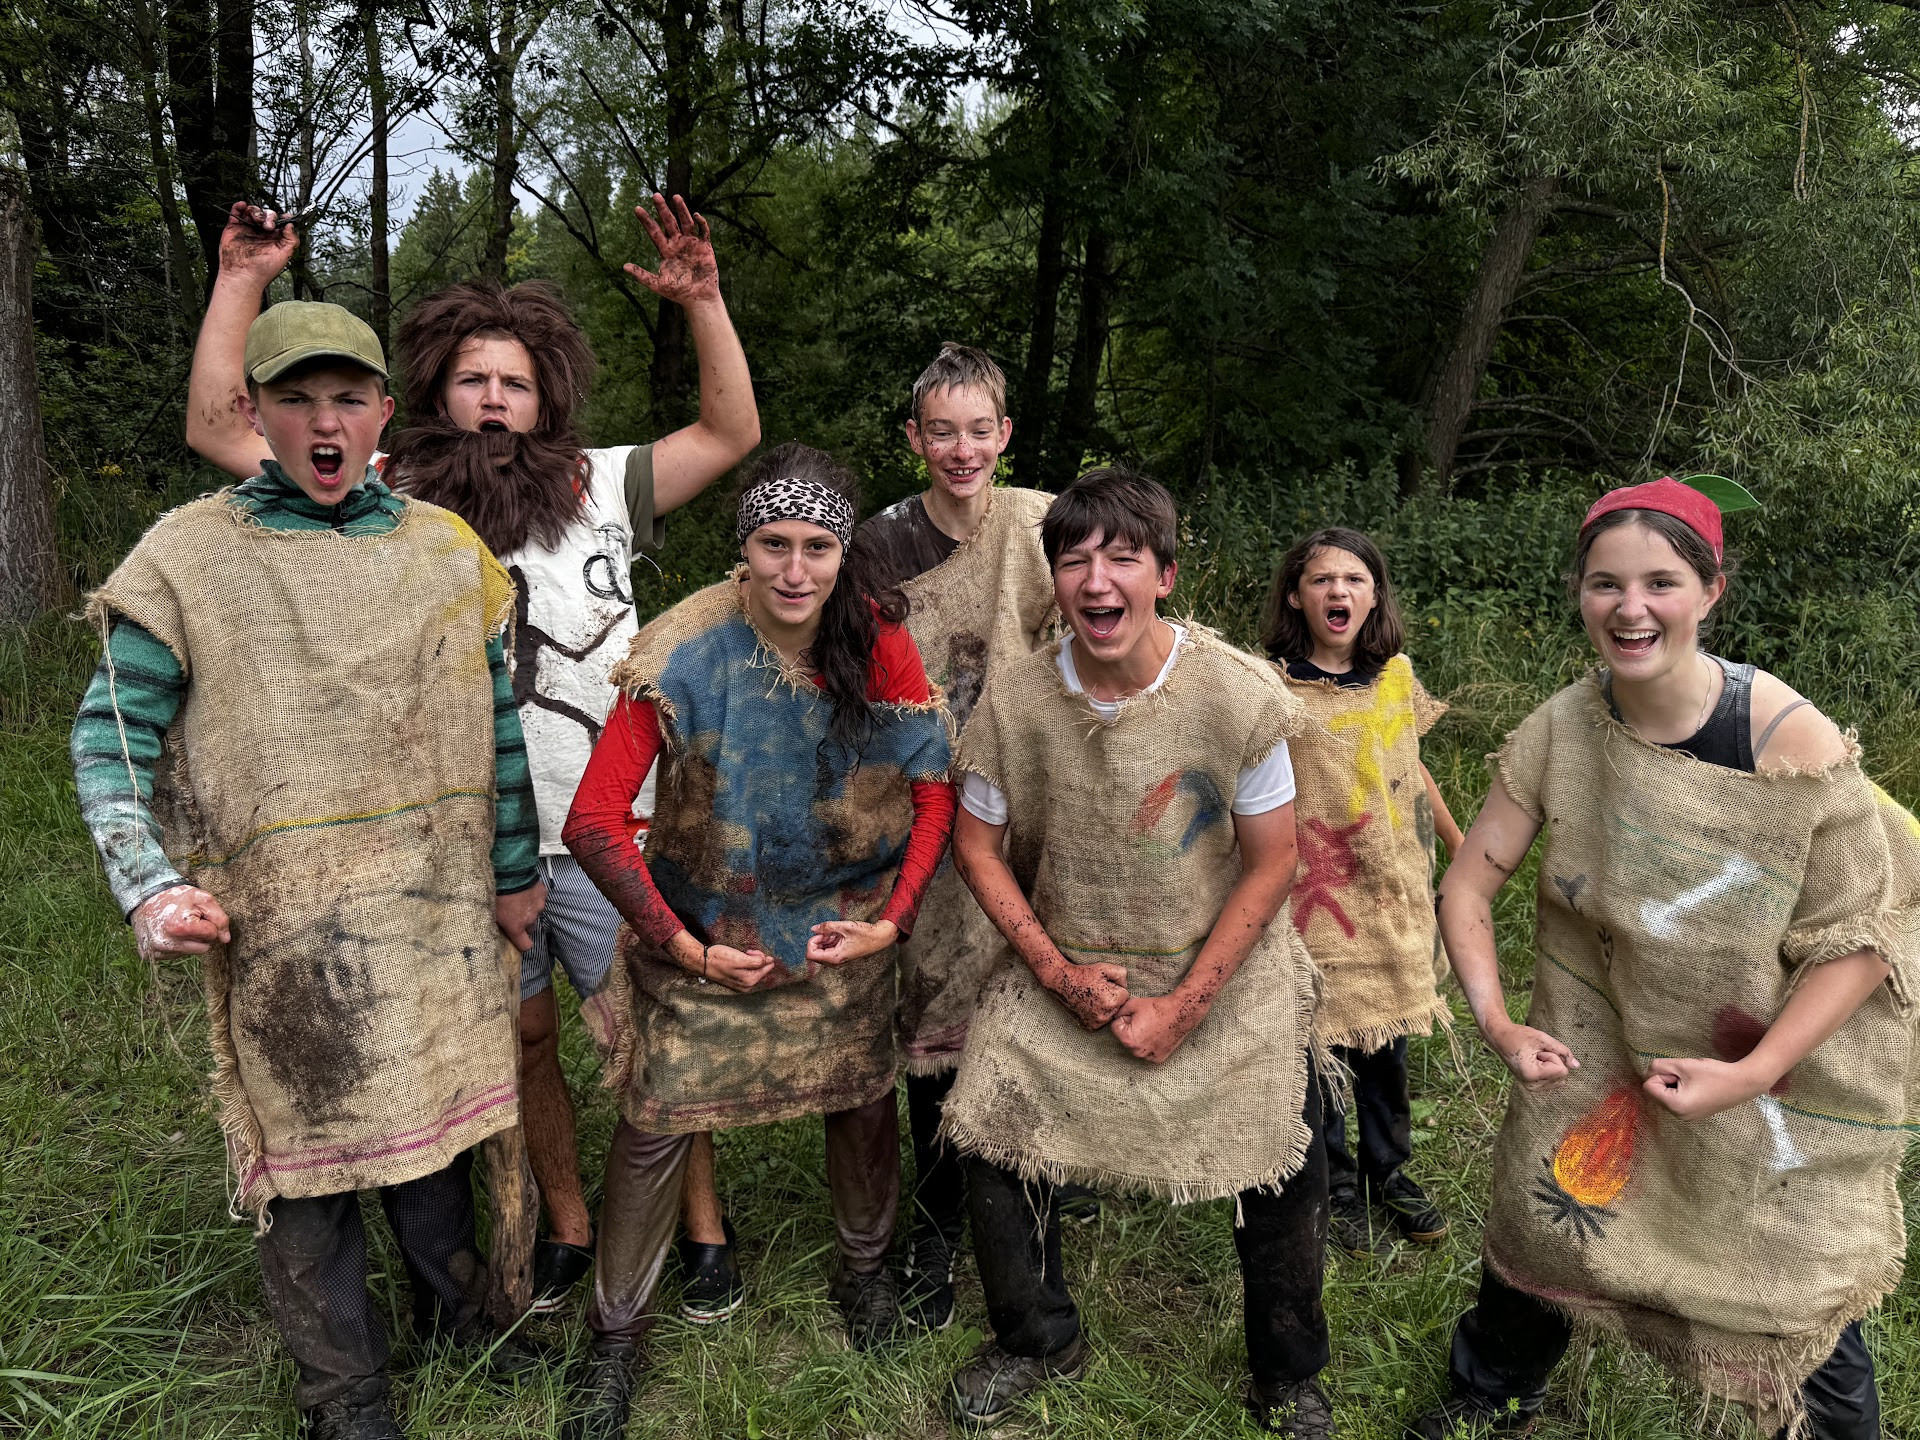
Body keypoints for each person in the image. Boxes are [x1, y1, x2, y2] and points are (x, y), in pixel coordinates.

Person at [183, 195, 760, 1317]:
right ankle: (567, 1222)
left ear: (548, 398)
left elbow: (728, 433)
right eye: (472, 380)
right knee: (524, 1033)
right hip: (459, 834)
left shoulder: (599, 482)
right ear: (435, 392)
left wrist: (704, 301)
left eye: (515, 383)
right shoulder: (382, 487)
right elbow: (218, 427)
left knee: (660, 1026)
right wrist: (242, 279)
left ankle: (702, 1223)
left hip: (609, 817)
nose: (494, 399)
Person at [73, 301, 546, 1440]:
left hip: (432, 911)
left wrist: (513, 870)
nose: (323, 424)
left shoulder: (443, 550)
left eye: (346, 400)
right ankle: (345, 1395)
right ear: (255, 411)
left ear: (384, 412)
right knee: (310, 1157)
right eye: (295, 400)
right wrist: (150, 882)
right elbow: (110, 738)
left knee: (434, 1126)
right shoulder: (192, 560)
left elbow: (495, 726)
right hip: (285, 923)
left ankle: (461, 1321)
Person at [1404, 478, 1919, 1440]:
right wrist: (1499, 1023)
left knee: (1785, 1270)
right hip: (1604, 1039)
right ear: (1580, 592)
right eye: (1605, 583)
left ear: (1710, 591)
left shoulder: (1783, 738)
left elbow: (1864, 938)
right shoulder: (1563, 729)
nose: (1629, 608)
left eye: (1660, 583)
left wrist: (1755, 1071)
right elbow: (1467, 887)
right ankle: (1491, 1398)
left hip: (1763, 1061)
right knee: (1546, 1212)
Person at [558, 442, 955, 1440]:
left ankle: (866, 1274)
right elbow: (593, 821)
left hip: (839, 924)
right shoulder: (681, 649)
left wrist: (891, 922)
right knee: (656, 1120)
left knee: (862, 1095)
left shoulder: (877, 639)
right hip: (705, 932)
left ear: (844, 551)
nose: (795, 568)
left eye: (818, 546)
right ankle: (615, 1339)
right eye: (774, 543)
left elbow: (933, 789)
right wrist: (679, 945)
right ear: (744, 548)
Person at [938, 468, 1336, 1437]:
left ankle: (1287, 1374)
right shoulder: (1017, 702)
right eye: (1074, 560)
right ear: (1054, 582)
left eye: (1122, 558)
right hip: (1069, 967)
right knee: (987, 1120)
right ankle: (1037, 1338)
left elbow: (1273, 861)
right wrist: (1056, 974)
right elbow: (976, 847)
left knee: (1286, 1149)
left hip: (1222, 972)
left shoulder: (1236, 694)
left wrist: (1186, 1007)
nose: (1097, 580)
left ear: (1164, 574)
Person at [853, 342, 1058, 1330]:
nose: (962, 449)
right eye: (943, 431)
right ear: (915, 438)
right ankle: (936, 1226)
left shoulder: (1044, 525)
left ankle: (1040, 1185)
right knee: (936, 1014)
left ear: (1004, 434)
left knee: (1037, 992)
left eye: (980, 430)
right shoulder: (880, 545)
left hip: (1032, 799)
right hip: (924, 805)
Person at [1263, 528, 1463, 1256]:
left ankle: (1391, 1171)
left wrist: (1462, 847)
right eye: (1321, 580)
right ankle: (1338, 1184)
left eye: (1353, 579)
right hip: (1315, 896)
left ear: (1374, 596)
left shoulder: (1393, 679)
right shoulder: (1274, 688)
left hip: (1389, 891)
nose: (1337, 591)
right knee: (1323, 1044)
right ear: (1296, 596)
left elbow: (1409, 764)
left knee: (1388, 1041)